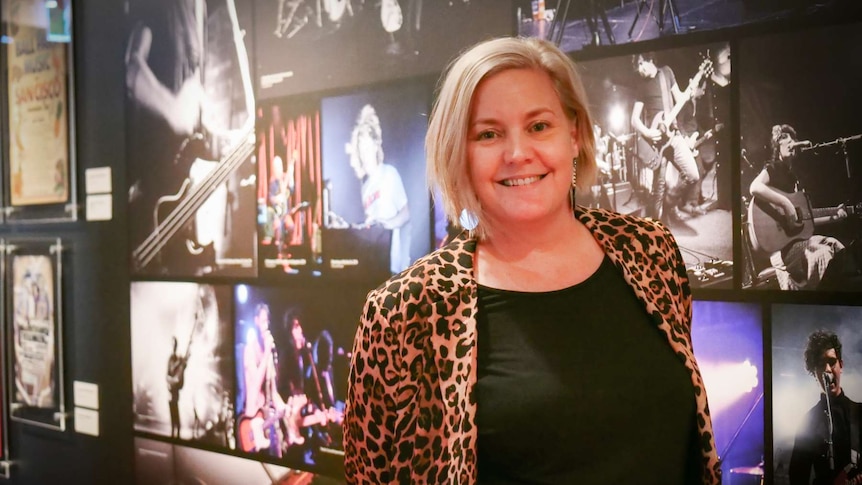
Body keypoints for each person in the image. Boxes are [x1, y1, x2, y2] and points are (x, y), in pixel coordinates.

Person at [344, 36, 721, 484]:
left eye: (539, 126)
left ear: (575, 133)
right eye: (488, 134)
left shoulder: (650, 250)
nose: (518, 153)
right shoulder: (404, 310)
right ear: (459, 154)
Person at [748, 124, 846, 290]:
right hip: (782, 251)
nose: (791, 142)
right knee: (822, 253)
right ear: (777, 145)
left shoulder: (793, 177)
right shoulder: (774, 167)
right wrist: (786, 205)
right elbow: (754, 187)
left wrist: (834, 216)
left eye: (793, 139)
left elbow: (805, 222)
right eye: (784, 138)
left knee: (835, 245)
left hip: (797, 243)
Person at [631, 52, 703, 223]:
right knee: (659, 186)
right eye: (637, 67)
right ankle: (657, 226)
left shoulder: (667, 73)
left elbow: (679, 99)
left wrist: (690, 94)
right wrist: (648, 133)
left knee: (693, 175)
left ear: (650, 59)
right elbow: (634, 119)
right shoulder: (642, 86)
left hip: (673, 134)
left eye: (641, 64)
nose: (640, 70)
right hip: (656, 140)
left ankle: (670, 202)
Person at [345, 104, 412, 274]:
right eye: (361, 149)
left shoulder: (389, 174)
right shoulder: (364, 185)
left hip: (393, 265)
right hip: (374, 261)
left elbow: (406, 214)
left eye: (367, 148)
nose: (364, 154)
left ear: (375, 146)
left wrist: (386, 225)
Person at [789, 330, 862, 484]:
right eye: (821, 365)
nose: (828, 370)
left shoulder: (860, 413)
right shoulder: (807, 423)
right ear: (814, 373)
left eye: (832, 361)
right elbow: (797, 478)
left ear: (840, 365)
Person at [239, 303, 288, 457]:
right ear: (256, 321)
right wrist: (267, 352)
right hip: (253, 422)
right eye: (263, 321)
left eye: (268, 321)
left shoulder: (269, 354)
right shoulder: (249, 350)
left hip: (268, 421)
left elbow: (273, 391)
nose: (266, 325)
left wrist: (284, 407)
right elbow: (254, 385)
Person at [166, 336, 189, 439]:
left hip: (175, 388)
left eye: (174, 344)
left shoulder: (177, 358)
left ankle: (177, 429)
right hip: (171, 387)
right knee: (172, 407)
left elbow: (183, 367)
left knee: (174, 407)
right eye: (172, 344)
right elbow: (167, 373)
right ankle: (173, 429)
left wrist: (184, 361)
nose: (173, 346)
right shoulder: (171, 359)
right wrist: (170, 381)